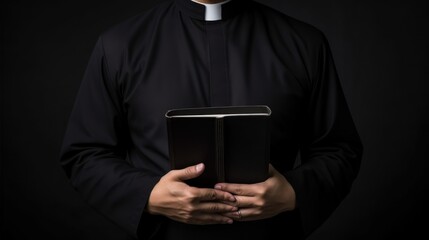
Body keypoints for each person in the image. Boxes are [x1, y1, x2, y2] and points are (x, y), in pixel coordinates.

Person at [59, 0, 363, 239]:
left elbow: (339, 150)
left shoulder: (304, 43)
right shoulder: (120, 45)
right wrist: (147, 195)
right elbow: (85, 154)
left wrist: (293, 193)